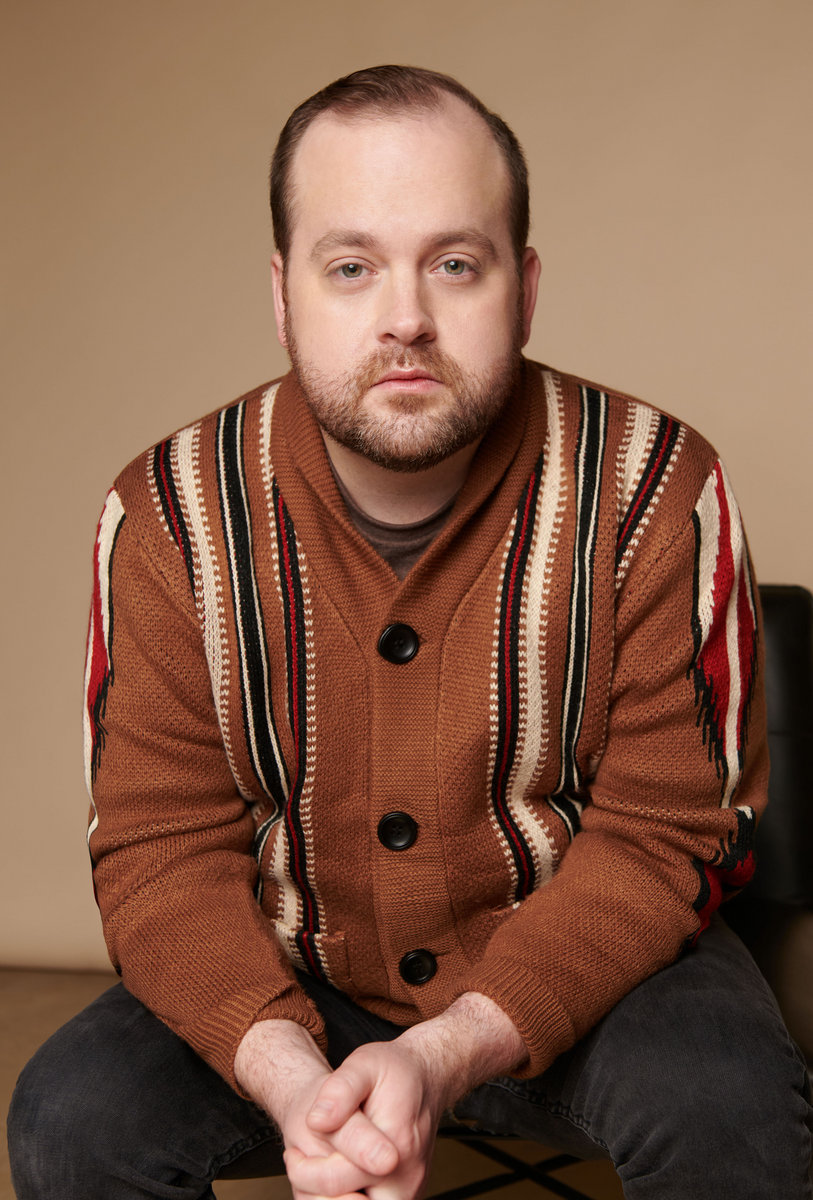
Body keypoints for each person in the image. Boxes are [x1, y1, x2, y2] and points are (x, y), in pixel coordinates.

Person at [8, 65, 811, 1200]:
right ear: (282, 294)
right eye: (351, 267)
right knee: (73, 1119)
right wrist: (290, 1075)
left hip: (588, 965)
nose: (405, 319)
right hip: (293, 971)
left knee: (729, 1109)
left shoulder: (656, 488)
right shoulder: (167, 517)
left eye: (455, 264)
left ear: (524, 288)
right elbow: (157, 847)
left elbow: (665, 835)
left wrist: (446, 1051)